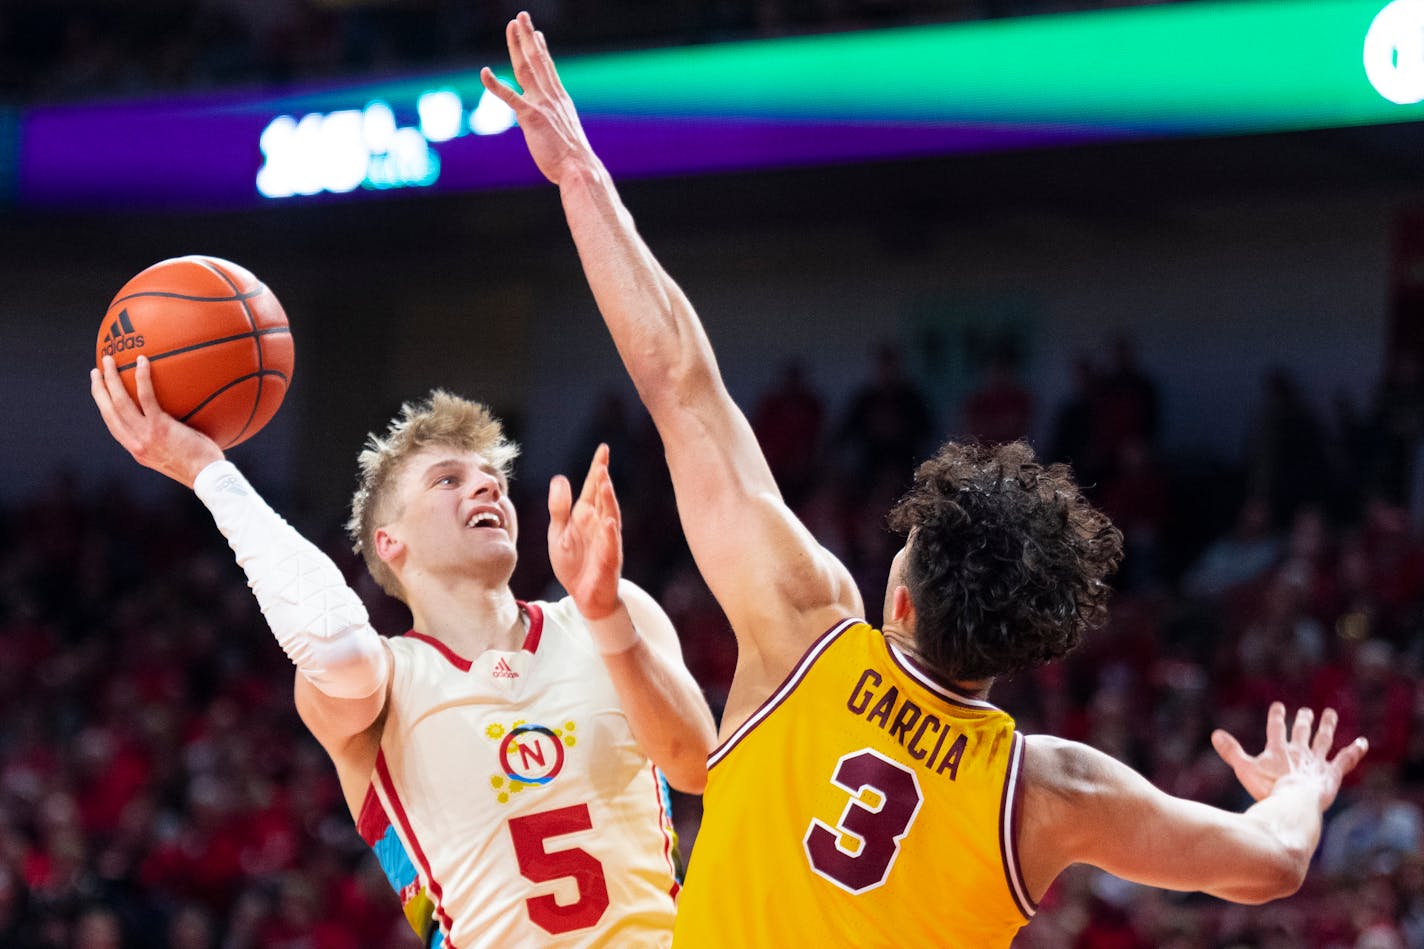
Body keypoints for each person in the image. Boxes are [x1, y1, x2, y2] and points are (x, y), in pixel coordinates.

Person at [480, 14, 1370, 946]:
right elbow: (1271, 864)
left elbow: (679, 383)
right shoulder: (1052, 790)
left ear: (898, 600)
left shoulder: (804, 628)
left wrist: (580, 175)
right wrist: (1301, 791)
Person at [90, 363, 716, 949]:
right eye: (449, 479)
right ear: (389, 542)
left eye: (493, 480)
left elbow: (696, 767)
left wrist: (606, 615)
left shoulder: (607, 615)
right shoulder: (383, 680)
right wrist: (210, 472)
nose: (485, 488)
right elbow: (333, 643)